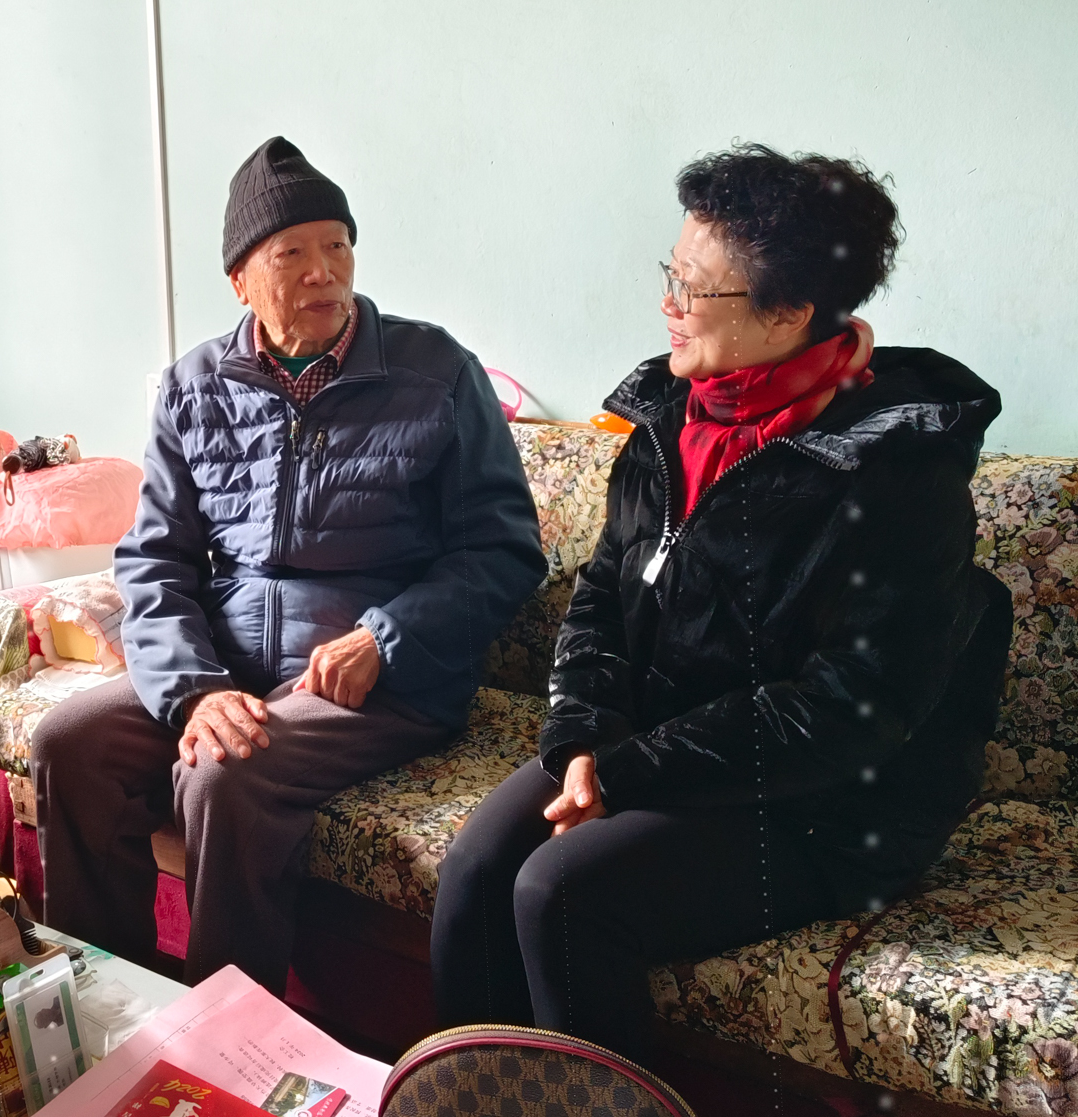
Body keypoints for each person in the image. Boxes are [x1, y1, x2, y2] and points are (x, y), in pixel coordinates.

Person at [430, 145, 1011, 1061]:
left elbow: (847, 710)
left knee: (559, 892)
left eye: (694, 288)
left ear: (788, 311)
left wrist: (627, 774)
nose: (668, 304)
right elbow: (601, 594)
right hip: (654, 746)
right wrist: (583, 737)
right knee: (473, 870)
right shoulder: (669, 418)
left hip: (823, 804)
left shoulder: (899, 473)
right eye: (671, 273)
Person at [33, 136, 546, 993]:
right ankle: (106, 1006)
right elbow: (154, 559)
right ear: (240, 279)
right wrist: (194, 689)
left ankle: (224, 1037)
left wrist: (384, 638)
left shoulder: (433, 372)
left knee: (223, 773)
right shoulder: (193, 386)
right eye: (292, 254)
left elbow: (502, 550)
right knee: (68, 743)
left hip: (379, 680)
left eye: (337, 246)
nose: (323, 273)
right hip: (228, 664)